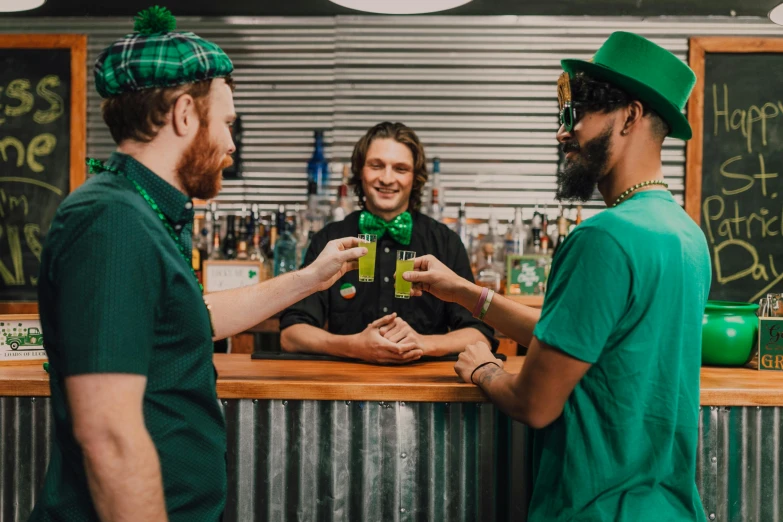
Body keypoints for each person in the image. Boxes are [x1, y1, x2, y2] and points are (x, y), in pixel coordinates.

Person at [31, 7, 364, 521]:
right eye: (228, 123)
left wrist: (309, 279)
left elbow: (188, 319)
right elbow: (109, 436)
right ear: (185, 114)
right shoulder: (111, 221)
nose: (232, 144)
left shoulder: (145, 211)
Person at [403, 32, 711, 521]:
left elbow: (536, 403)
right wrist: (465, 293)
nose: (562, 134)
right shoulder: (686, 236)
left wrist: (483, 368)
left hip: (595, 508)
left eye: (577, 117)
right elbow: (580, 338)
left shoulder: (603, 238)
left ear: (629, 116)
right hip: (667, 508)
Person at [280, 122, 496, 364]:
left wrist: (425, 343)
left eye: (401, 169)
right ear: (360, 171)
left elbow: (480, 335)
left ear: (415, 178)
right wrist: (352, 346)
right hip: (345, 388)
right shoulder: (330, 240)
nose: (387, 178)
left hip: (425, 389)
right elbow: (292, 334)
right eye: (376, 165)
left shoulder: (445, 242)